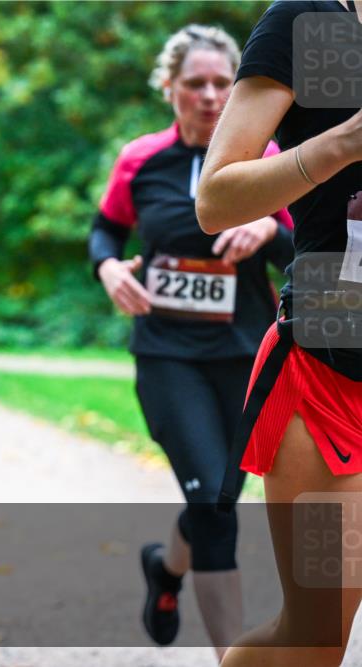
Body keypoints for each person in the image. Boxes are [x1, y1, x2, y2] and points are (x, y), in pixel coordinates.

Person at [88, 24, 294, 661]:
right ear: (169, 89)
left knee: (219, 497)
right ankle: (231, 656)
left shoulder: (268, 156)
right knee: (211, 502)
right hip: (167, 354)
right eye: (194, 84)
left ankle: (166, 570)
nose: (209, 96)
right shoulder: (140, 159)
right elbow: (104, 231)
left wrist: (265, 228)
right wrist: (109, 269)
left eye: (221, 84)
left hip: (244, 355)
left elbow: (302, 251)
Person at [197, 1, 362, 665]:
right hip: (335, 379)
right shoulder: (315, 23)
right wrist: (344, 143)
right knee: (313, 641)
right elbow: (216, 199)